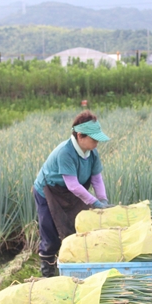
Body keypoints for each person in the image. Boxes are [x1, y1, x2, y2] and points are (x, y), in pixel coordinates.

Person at [33, 111, 110, 277]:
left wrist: (103, 199)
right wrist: (95, 203)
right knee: (51, 234)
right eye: (94, 139)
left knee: (77, 228)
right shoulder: (65, 152)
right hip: (49, 192)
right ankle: (48, 272)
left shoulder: (92, 153)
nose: (97, 142)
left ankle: (74, 269)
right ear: (80, 136)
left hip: (70, 193)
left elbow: (97, 179)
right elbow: (73, 185)